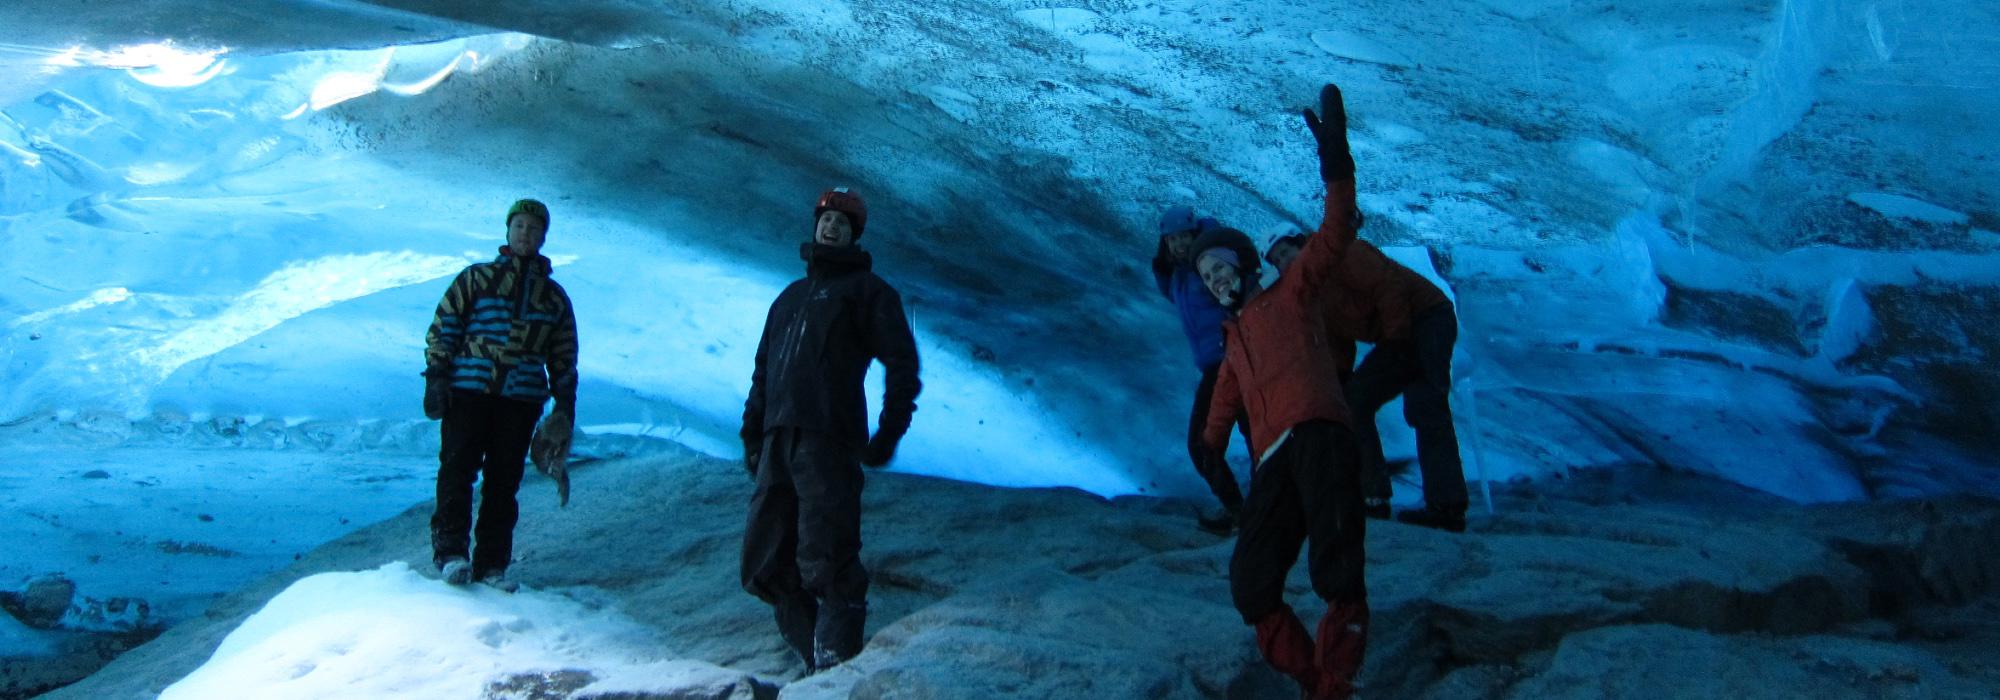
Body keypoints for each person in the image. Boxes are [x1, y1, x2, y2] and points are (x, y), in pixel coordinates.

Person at [1197, 83, 1369, 699]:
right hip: (1273, 460)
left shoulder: (1291, 293)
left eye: (1221, 270)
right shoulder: (1233, 340)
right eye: (1207, 277)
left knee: (1337, 566)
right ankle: (1311, 678)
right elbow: (1223, 400)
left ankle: (1335, 686)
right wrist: (1212, 447)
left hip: (1319, 432)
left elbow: (1335, 229)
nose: (1216, 282)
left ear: (1245, 267)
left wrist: (1336, 161)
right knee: (1251, 582)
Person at [741, 187, 921, 673]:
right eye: (827, 219)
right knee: (765, 564)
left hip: (829, 440)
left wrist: (888, 432)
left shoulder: (869, 293)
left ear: (855, 233)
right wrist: (753, 434)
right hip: (780, 438)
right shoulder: (790, 298)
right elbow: (764, 370)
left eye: (844, 222)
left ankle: (836, 669)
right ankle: (815, 659)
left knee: (829, 559)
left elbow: (901, 363)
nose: (832, 226)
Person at [423, 198, 578, 592]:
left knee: (503, 481)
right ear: (508, 231)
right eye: (520, 226)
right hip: (470, 390)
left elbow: (563, 355)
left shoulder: (554, 298)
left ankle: (492, 565)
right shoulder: (474, 280)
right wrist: (437, 375)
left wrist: (564, 405)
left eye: (534, 228)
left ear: (544, 236)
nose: (526, 233)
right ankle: (452, 554)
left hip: (521, 400)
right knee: (457, 470)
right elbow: (445, 326)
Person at [1278, 218, 1462, 531]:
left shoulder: (1343, 253)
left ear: (1299, 243)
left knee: (1426, 405)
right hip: (1401, 333)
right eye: (1277, 261)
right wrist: (1339, 376)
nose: (1284, 263)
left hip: (1427, 318)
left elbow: (1389, 285)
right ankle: (1372, 496)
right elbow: (1338, 339)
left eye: (1285, 252)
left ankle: (1446, 508)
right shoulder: (1312, 293)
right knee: (1355, 404)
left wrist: (1397, 339)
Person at [1152, 206, 1251, 534]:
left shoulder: (1208, 264)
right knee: (1245, 436)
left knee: (1212, 442)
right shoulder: (1182, 273)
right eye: (1171, 239)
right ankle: (1246, 511)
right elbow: (1175, 298)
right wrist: (1163, 270)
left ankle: (1248, 511)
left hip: (1234, 360)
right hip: (1217, 365)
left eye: (1183, 237)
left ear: (1196, 234)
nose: (1178, 244)